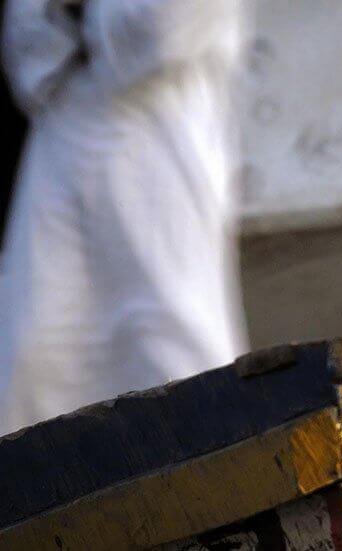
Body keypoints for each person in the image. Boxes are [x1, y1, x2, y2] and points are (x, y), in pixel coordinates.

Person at [0, 0, 251, 435]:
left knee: (168, 331)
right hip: (62, 140)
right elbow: (28, 43)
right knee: (34, 345)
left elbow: (162, 31)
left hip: (154, 144)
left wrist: (85, 11)